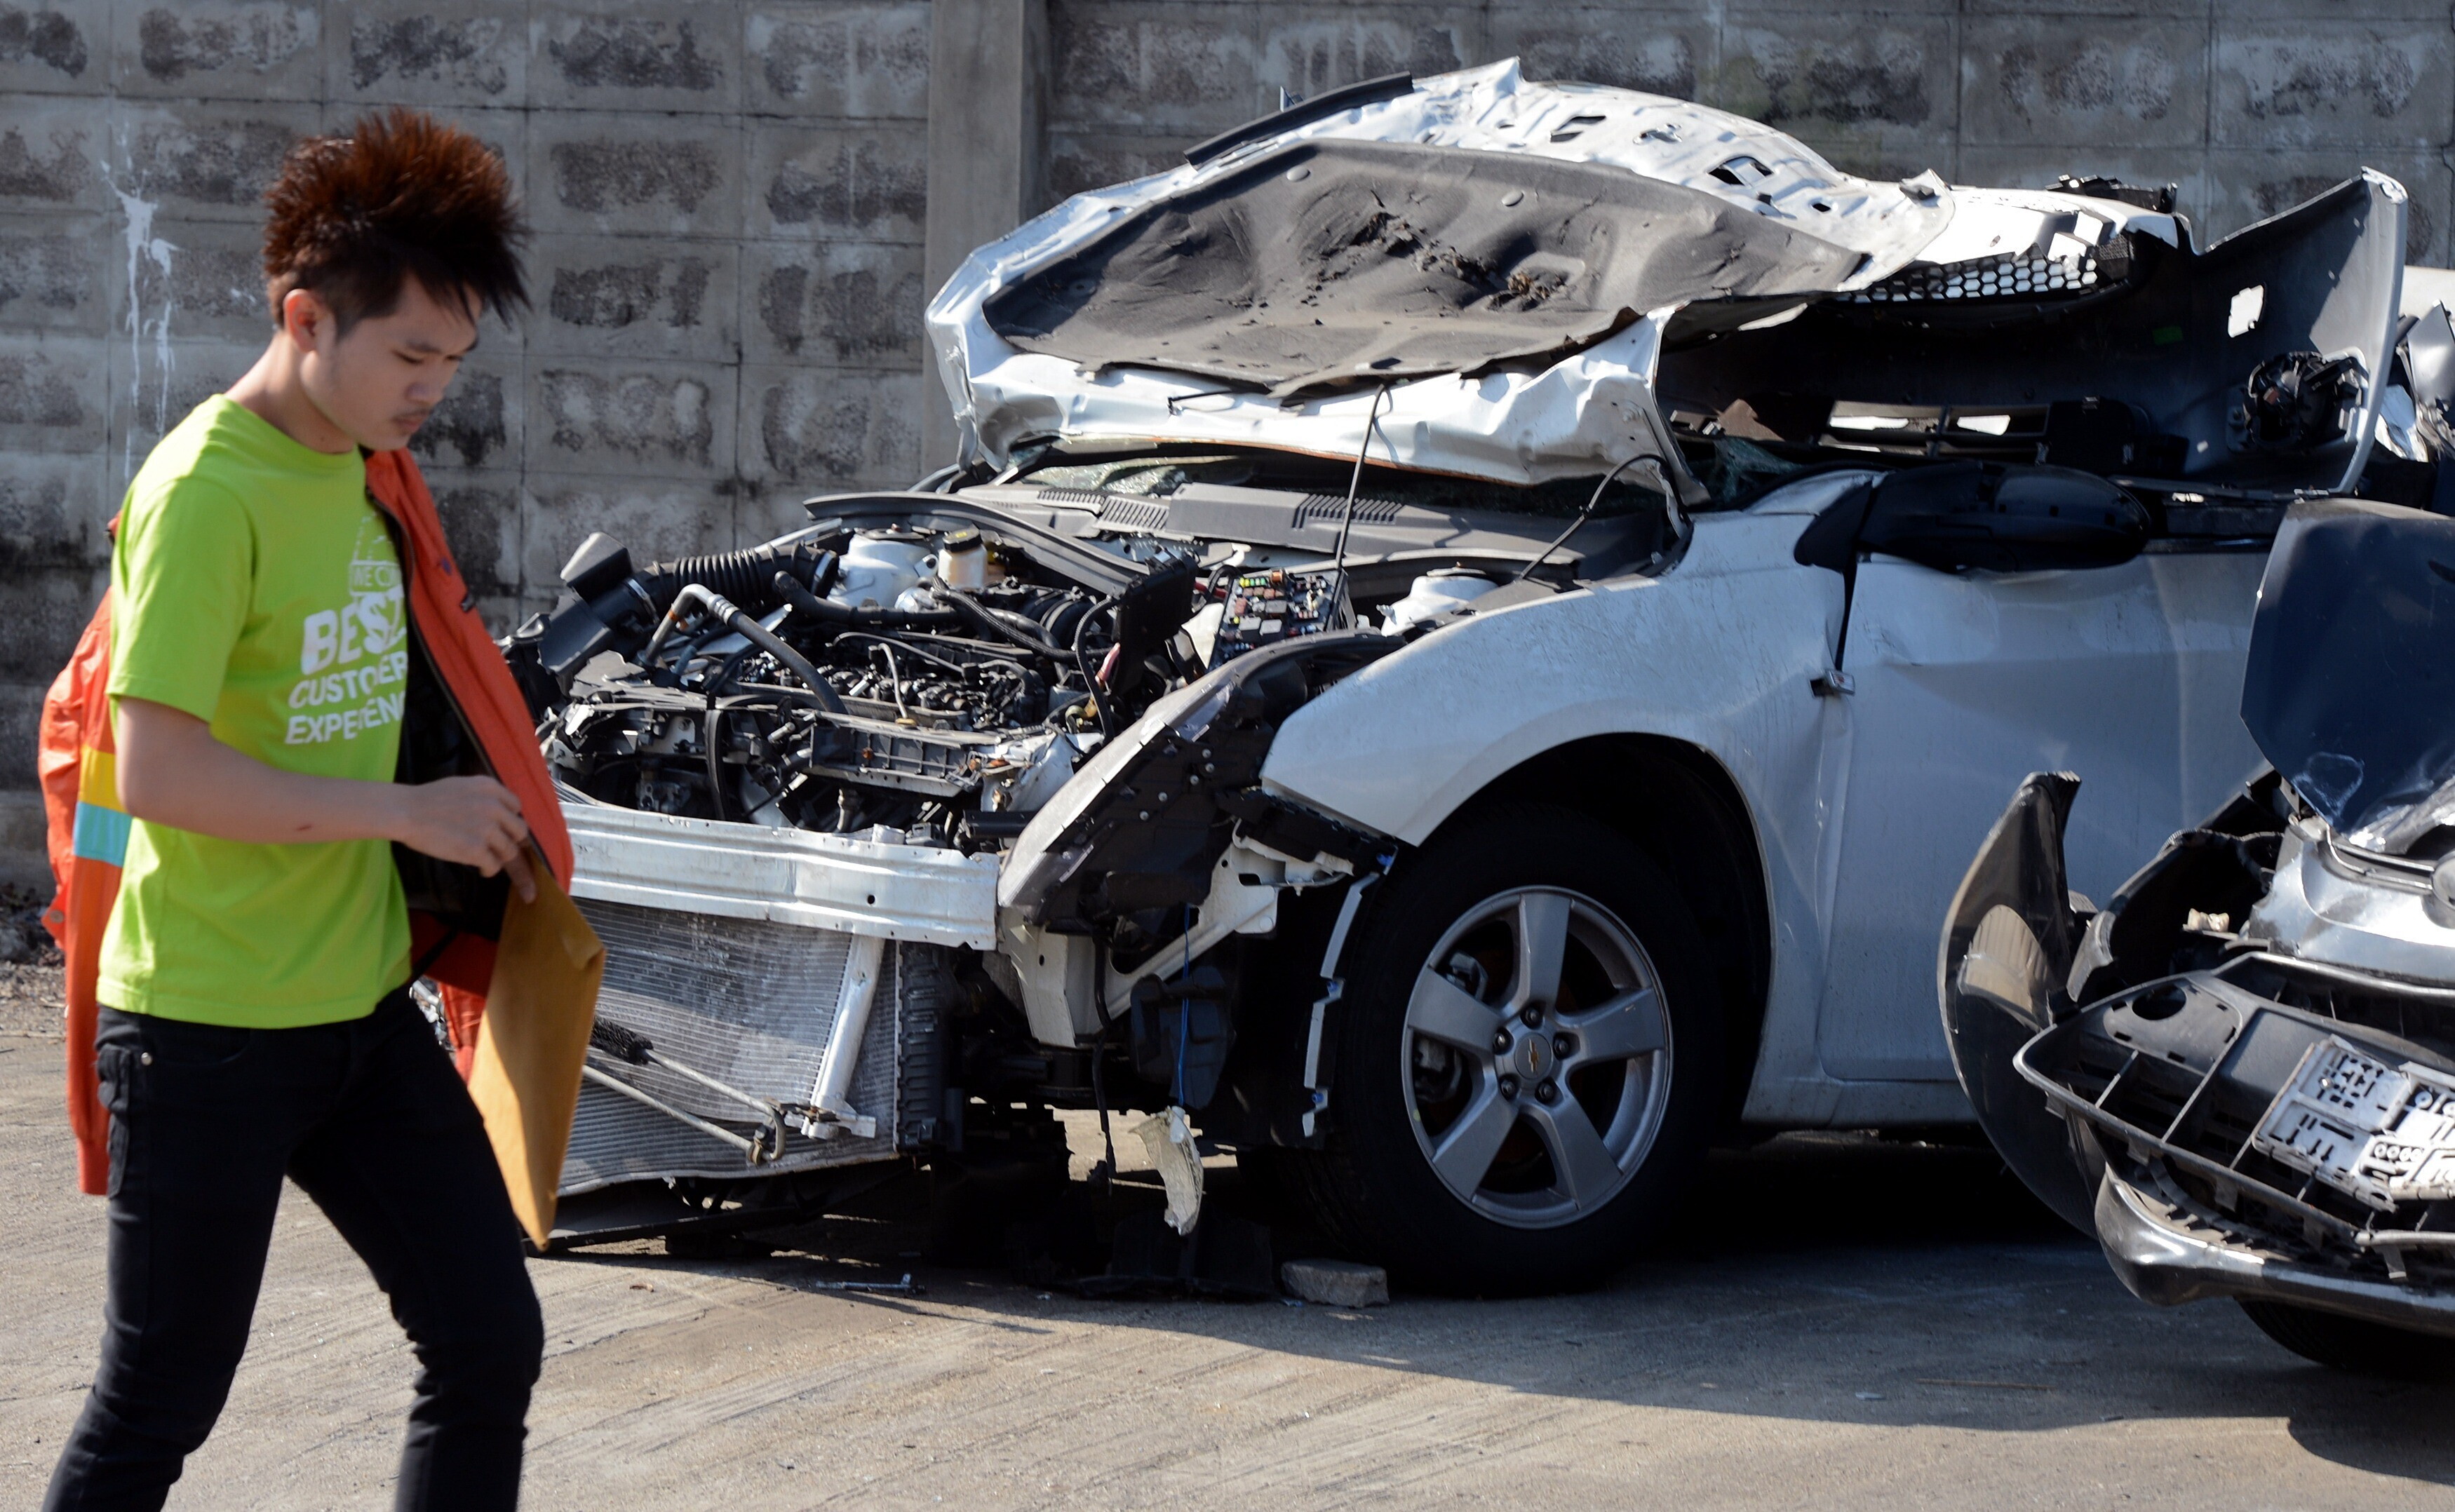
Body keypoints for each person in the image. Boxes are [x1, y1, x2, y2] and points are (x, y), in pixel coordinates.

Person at [45, 109, 550, 1512]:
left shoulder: (362, 472)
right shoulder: (208, 491)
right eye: (408, 356)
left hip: (349, 1013)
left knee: (487, 1338)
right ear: (305, 316)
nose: (430, 392)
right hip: (205, 1028)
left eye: (452, 364)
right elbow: (156, 772)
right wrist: (406, 816)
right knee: (160, 1401)